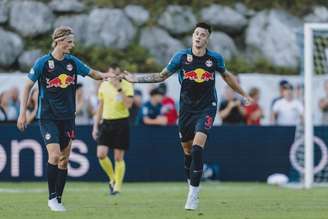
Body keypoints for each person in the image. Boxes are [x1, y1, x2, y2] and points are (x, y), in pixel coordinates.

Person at [121, 22, 252, 210]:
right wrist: (136, 79)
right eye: (196, 33)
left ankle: (194, 193)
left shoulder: (214, 59)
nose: (199, 37)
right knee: (188, 151)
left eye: (203, 35)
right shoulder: (181, 57)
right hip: (187, 110)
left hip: (207, 107)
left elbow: (227, 77)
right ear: (193, 36)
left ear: (208, 39)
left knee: (198, 147)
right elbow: (161, 76)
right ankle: (191, 182)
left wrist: (244, 94)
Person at [17, 26, 116, 212]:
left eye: (72, 41)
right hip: (48, 117)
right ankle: (52, 198)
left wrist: (105, 76)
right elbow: (27, 87)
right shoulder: (43, 63)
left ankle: (59, 199)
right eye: (69, 42)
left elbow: (92, 73)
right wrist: (23, 112)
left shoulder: (72, 62)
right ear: (58, 41)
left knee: (64, 159)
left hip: (68, 118)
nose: (72, 45)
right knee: (54, 155)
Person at [92, 66, 134, 195]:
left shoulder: (127, 84)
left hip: (121, 122)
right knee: (101, 154)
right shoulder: (104, 85)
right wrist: (95, 126)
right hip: (106, 122)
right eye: (110, 73)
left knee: (118, 157)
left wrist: (119, 88)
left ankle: (117, 187)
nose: (112, 76)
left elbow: (128, 105)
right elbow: (100, 106)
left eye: (115, 73)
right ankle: (112, 178)